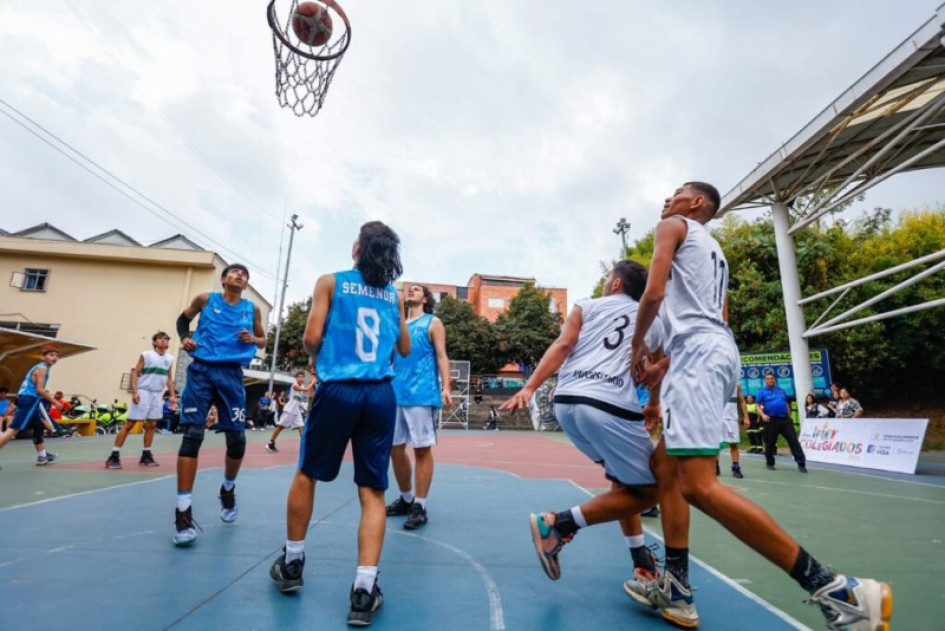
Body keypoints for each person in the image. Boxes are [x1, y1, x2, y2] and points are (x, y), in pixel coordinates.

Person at [629, 181, 892, 629]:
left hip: (698, 357)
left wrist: (638, 348)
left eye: (676, 193)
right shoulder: (717, 256)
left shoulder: (671, 227)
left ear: (696, 204)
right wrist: (662, 367)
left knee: (698, 485)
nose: (666, 199)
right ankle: (677, 586)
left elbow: (652, 295)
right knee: (665, 467)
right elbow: (712, 321)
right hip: (713, 353)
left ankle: (835, 589)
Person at [499, 260, 666, 608]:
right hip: (609, 407)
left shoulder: (586, 306)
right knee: (654, 491)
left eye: (607, 279)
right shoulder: (653, 320)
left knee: (623, 482)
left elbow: (562, 346)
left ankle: (641, 561)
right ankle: (558, 524)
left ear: (616, 283)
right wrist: (652, 403)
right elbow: (657, 367)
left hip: (567, 403)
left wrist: (530, 388)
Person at [269, 221, 410, 627]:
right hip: (380, 396)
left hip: (338, 391)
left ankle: (293, 563)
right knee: (373, 491)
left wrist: (324, 350)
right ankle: (364, 590)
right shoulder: (391, 294)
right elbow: (402, 347)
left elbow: (311, 338)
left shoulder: (330, 282)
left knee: (308, 473)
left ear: (356, 249)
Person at [171, 263, 266, 547]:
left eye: (244, 274)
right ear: (224, 279)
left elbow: (263, 341)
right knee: (192, 435)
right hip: (201, 371)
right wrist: (185, 338)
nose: (239, 276)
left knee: (237, 440)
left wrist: (253, 338)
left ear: (245, 284)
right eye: (234, 273)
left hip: (231, 374)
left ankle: (227, 488)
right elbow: (181, 320)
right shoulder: (205, 299)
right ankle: (183, 512)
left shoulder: (252, 309)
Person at [384, 284, 453, 530]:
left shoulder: (433, 322)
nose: (409, 291)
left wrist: (446, 387)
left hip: (422, 393)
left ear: (426, 299)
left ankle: (420, 505)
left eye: (416, 289)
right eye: (407, 289)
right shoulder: (397, 324)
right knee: (394, 449)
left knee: (422, 450)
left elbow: (442, 355)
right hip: (394, 393)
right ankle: (406, 499)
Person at [106, 331, 177, 469]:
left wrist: (172, 395)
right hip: (143, 391)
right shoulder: (146, 355)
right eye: (160, 338)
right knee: (130, 424)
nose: (164, 340)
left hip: (157, 394)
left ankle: (146, 454)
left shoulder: (170, 359)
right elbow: (135, 372)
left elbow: (169, 377)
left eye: (166, 339)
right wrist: (134, 392)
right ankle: (114, 455)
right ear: (155, 341)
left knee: (152, 425)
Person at [0, 344, 63, 466]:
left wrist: (14, 403)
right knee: (13, 429)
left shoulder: (39, 368)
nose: (54, 358)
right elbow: (40, 389)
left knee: (38, 425)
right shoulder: (42, 369)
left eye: (57, 356)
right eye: (51, 355)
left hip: (28, 399)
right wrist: (55, 401)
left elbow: (25, 388)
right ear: (43, 357)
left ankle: (42, 455)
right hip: (30, 400)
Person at [756, 373, 808, 472]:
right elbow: (757, 406)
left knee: (793, 440)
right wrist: (763, 415)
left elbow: (785, 404)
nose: (770, 380)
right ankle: (770, 462)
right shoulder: (761, 392)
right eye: (768, 379)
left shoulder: (781, 391)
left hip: (785, 420)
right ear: (765, 381)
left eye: (771, 378)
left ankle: (801, 463)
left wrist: (789, 417)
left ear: (775, 380)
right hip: (771, 420)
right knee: (770, 442)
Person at [266, 372, 315, 452]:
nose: (301, 378)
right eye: (299, 376)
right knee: (280, 427)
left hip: (297, 411)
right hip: (289, 410)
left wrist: (304, 408)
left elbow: (298, 400)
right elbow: (306, 389)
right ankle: (270, 443)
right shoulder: (294, 385)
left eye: (302, 377)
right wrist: (313, 382)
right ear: (296, 378)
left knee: (301, 427)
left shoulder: (302, 386)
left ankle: (305, 446)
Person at [718, 384, 748, 479]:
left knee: (733, 444)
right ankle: (715, 466)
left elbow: (742, 401)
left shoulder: (736, 385)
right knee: (716, 444)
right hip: (718, 418)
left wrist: (746, 417)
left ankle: (736, 468)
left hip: (731, 419)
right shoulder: (715, 382)